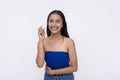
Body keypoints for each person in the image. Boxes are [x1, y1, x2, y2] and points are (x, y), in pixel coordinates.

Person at [36, 10, 78, 80]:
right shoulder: (43, 42)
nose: (54, 24)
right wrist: (41, 40)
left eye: (57, 21)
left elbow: (74, 67)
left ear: (62, 25)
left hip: (66, 78)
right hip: (48, 78)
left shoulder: (69, 42)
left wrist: (53, 72)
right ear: (48, 23)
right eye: (51, 21)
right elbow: (39, 65)